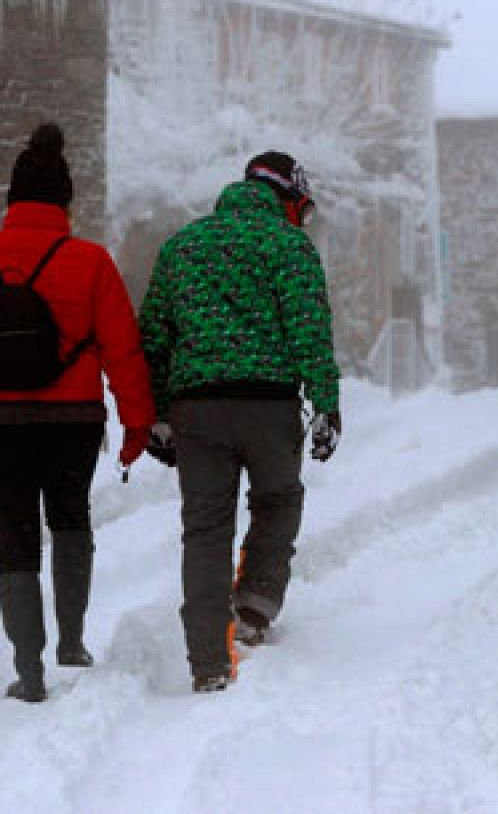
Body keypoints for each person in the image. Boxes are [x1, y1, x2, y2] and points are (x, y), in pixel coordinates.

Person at [0, 123, 155, 703]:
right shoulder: (91, 263)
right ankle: (71, 642)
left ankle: (29, 671)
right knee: (71, 518)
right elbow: (124, 349)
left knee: (14, 539)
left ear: (11, 202)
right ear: (66, 204)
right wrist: (137, 422)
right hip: (73, 419)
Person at [139, 151, 341, 694]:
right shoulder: (288, 245)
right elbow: (309, 329)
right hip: (268, 406)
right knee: (278, 500)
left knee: (205, 528)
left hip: (196, 407)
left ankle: (207, 661)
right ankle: (251, 609)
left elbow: (153, 338)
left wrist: (154, 415)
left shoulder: (183, 246)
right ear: (289, 198)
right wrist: (325, 402)